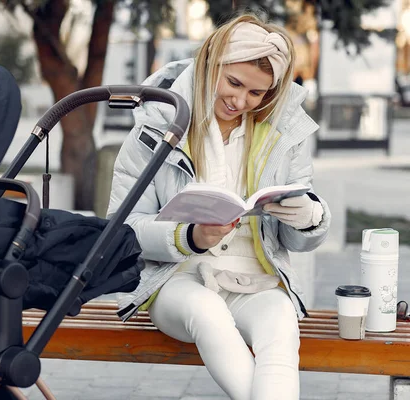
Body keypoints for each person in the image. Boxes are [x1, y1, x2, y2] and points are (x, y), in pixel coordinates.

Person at [107, 12, 331, 400]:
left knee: (281, 322)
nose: (240, 100)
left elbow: (297, 240)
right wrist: (188, 236)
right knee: (207, 313)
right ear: (211, 64)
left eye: (257, 93)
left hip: (254, 278)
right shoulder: (154, 132)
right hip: (175, 282)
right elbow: (121, 232)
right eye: (234, 82)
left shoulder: (281, 136)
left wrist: (310, 218)